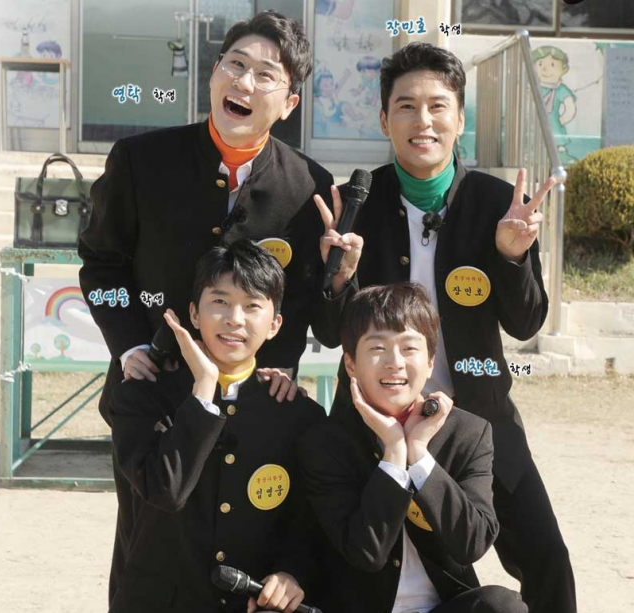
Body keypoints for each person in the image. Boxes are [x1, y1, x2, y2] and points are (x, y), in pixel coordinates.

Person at [78, 10, 333, 600]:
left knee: (247, 544)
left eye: (265, 75)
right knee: (149, 548)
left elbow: (299, 297)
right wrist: (129, 346)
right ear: (214, 73)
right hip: (154, 394)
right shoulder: (140, 160)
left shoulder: (310, 187)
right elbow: (101, 264)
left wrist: (284, 359)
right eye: (234, 65)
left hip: (253, 405)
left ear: (289, 103)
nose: (243, 82)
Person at [314, 42, 576, 613]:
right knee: (369, 569)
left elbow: (527, 321)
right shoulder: (357, 203)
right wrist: (340, 278)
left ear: (460, 119)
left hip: (478, 423)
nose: (423, 121)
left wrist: (510, 257)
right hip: (375, 428)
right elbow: (332, 334)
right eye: (406, 106)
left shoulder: (497, 202)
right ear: (384, 119)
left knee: (546, 557)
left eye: (438, 106)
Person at [109, 240, 325, 613]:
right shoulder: (140, 399)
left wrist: (292, 572)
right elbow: (165, 491)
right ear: (194, 314)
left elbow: (308, 523)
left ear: (275, 325)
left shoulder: (298, 415)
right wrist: (204, 392)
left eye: (252, 306)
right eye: (220, 301)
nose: (234, 319)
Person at [299, 282, 527, 613]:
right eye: (377, 348)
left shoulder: (468, 433)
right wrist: (394, 453)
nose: (394, 362)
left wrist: (419, 454)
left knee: (503, 606)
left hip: (442, 606)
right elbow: (366, 552)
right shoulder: (325, 442)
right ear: (350, 364)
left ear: (431, 361)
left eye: (409, 348)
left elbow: (472, 542)